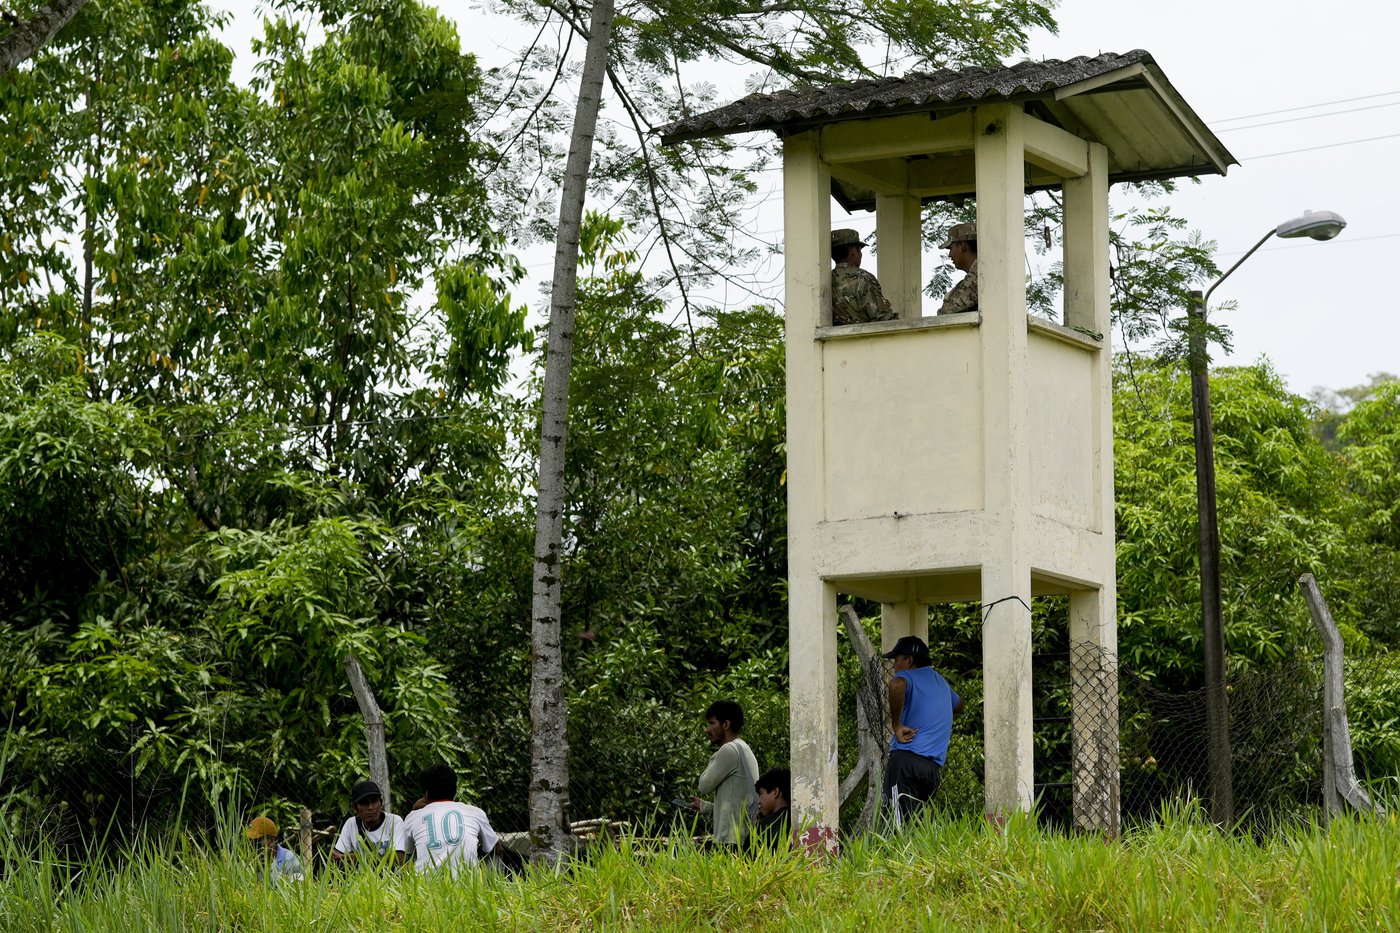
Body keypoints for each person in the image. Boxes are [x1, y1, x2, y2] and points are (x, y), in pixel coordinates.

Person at [883, 635, 963, 826]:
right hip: (931, 771)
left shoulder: (906, 677)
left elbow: (896, 684)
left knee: (896, 827)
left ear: (909, 660)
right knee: (916, 827)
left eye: (897, 660)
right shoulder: (941, 682)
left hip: (906, 762)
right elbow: (959, 705)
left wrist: (897, 726)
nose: (894, 666)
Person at [402, 763, 501, 876]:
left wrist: (414, 810)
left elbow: (407, 852)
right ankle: (491, 885)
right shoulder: (475, 812)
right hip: (466, 886)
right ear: (455, 790)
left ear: (426, 793)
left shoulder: (413, 816)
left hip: (425, 887)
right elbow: (496, 848)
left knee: (411, 849)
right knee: (492, 847)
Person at [688, 698, 760, 848]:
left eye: (712, 723)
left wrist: (715, 755)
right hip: (743, 838)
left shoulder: (729, 750)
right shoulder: (744, 749)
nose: (707, 729)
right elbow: (738, 805)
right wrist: (705, 807)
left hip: (729, 840)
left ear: (726, 724)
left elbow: (703, 786)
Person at [331, 779, 406, 867]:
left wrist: (353, 857)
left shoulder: (394, 821)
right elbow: (336, 860)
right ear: (355, 808)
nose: (370, 807)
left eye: (374, 801)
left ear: (381, 803)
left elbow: (398, 859)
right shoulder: (351, 824)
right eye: (364, 803)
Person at [830, 228, 896, 326]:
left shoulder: (826, 278)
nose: (860, 255)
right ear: (852, 251)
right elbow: (881, 317)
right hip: (865, 339)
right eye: (859, 250)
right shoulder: (863, 277)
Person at [245, 816, 305, 883]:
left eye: (257, 840)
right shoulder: (249, 863)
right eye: (251, 840)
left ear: (271, 840)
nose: (253, 844)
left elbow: (299, 886)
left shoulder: (291, 860)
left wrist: (267, 873)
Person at [936, 222, 978, 315]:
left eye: (951, 248)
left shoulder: (980, 273)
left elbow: (948, 312)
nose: (950, 254)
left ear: (962, 246)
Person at [750, 767, 791, 851]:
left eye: (761, 794)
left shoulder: (764, 827)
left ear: (775, 792)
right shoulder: (799, 821)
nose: (759, 801)